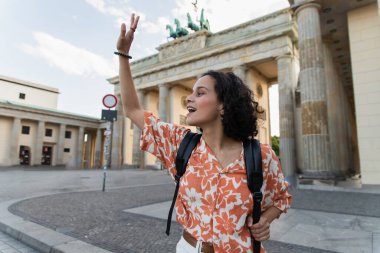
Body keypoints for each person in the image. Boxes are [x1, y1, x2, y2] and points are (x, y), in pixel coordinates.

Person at [116, 14, 292, 253]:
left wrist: (265, 220)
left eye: (200, 93)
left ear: (223, 104)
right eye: (191, 93)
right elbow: (133, 109)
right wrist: (124, 56)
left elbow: (281, 198)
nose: (189, 98)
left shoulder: (261, 156)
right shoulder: (179, 144)